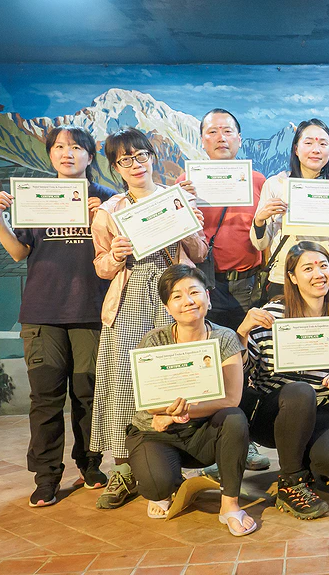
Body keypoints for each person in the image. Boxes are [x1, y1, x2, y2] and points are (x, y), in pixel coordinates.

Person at [0, 125, 116, 508]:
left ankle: (89, 464)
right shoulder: (35, 197)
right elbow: (18, 252)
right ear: (50, 155)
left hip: (92, 311)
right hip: (42, 312)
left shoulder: (107, 198)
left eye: (76, 147)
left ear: (90, 157)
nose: (67, 153)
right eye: (59, 147)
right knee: (46, 399)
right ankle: (46, 477)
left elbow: (125, 248)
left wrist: (106, 218)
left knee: (88, 393)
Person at [91, 127, 208, 510]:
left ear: (152, 158)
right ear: (115, 168)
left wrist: (189, 225)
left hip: (174, 295)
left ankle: (179, 459)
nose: (135, 164)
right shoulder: (110, 212)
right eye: (125, 160)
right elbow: (102, 268)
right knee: (128, 383)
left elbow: (200, 253)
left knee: (181, 377)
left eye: (140, 156)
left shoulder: (178, 200)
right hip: (130, 301)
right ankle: (125, 468)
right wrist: (117, 255)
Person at [124, 265, 256, 536]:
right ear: (167, 306)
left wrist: (183, 412)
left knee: (234, 418)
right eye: (177, 296)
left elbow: (232, 398)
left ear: (207, 297)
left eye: (194, 292)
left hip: (203, 433)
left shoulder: (224, 337)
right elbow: (150, 404)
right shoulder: (153, 340)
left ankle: (229, 505)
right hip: (157, 432)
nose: (188, 301)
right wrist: (166, 416)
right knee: (156, 487)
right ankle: (169, 480)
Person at [177, 109, 270, 471]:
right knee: (206, 365)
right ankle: (209, 443)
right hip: (203, 285)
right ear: (202, 140)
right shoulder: (188, 181)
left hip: (247, 283)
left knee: (242, 364)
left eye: (227, 131)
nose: (220, 137)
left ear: (239, 138)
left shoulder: (258, 181)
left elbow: (265, 232)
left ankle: (241, 441)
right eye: (212, 132)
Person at [237, 241, 329, 520]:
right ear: (291, 277)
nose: (319, 274)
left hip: (316, 407)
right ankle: (290, 483)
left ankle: (301, 459)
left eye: (324, 266)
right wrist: (242, 332)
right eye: (308, 268)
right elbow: (241, 371)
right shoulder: (272, 315)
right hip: (271, 411)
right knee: (299, 391)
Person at [250, 119, 329, 299]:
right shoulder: (275, 185)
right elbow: (261, 244)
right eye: (309, 143)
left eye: (323, 144)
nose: (316, 149)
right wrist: (259, 220)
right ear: (296, 149)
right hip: (286, 278)